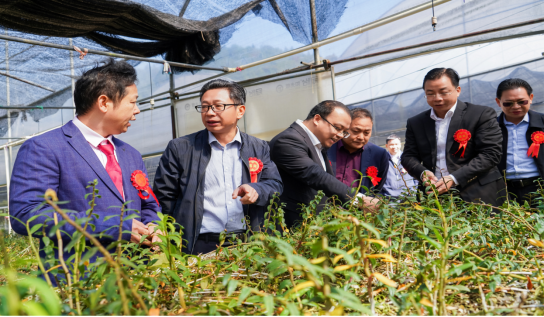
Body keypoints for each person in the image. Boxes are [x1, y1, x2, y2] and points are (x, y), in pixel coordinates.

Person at [9, 59, 161, 282]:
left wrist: (154, 226)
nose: (137, 110)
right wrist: (110, 226)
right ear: (104, 102)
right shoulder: (45, 148)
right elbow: (26, 215)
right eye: (132, 102)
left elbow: (148, 203)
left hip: (135, 276)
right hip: (78, 281)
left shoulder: (131, 154)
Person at [153, 79, 282, 255]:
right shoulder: (181, 148)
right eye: (204, 107)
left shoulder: (258, 147)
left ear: (240, 110)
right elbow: (164, 198)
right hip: (199, 244)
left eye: (218, 106)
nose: (209, 113)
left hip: (248, 242)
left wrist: (256, 189)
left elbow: (275, 184)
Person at [401, 67, 504, 206]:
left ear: (458, 90)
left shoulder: (480, 114)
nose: (437, 98)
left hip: (478, 193)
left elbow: (491, 154)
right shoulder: (416, 122)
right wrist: (423, 173)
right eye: (430, 93)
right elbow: (408, 156)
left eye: (444, 92)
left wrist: (454, 178)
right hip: (435, 195)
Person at [269, 101, 378, 229]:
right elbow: (315, 175)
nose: (340, 135)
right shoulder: (288, 140)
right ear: (317, 119)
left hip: (313, 226)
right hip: (294, 227)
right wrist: (359, 200)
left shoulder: (318, 143)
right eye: (337, 128)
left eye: (344, 132)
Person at [496, 78, 544, 206]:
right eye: (508, 103)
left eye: (521, 101)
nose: (516, 107)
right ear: (498, 102)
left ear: (531, 97)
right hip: (504, 191)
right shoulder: (490, 128)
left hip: (539, 187)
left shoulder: (542, 122)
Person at [327, 108, 389, 194]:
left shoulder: (379, 154)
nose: (361, 137)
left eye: (366, 132)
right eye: (356, 131)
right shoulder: (327, 147)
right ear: (345, 128)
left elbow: (378, 189)